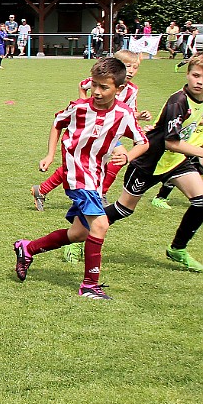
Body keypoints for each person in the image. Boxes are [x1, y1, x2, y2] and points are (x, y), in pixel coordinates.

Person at [14, 57, 148, 300]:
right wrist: (50, 154)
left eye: (103, 87)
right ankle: (89, 285)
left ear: (119, 89)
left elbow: (143, 142)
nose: (96, 91)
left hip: (95, 177)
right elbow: (57, 123)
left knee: (78, 234)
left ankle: (27, 248)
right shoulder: (79, 107)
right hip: (76, 174)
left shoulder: (124, 113)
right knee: (101, 224)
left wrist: (127, 156)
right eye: (94, 85)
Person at [101, 55, 203, 274]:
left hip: (177, 163)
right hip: (150, 161)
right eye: (195, 75)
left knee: (201, 202)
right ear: (187, 75)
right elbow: (171, 142)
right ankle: (80, 236)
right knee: (123, 209)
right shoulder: (179, 101)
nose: (199, 81)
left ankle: (177, 249)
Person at [31, 50, 152, 214]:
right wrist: (86, 105)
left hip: (112, 130)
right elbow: (82, 86)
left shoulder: (132, 90)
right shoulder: (97, 85)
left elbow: (131, 112)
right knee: (81, 162)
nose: (131, 70)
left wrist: (140, 116)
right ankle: (99, 194)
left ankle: (45, 189)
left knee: (87, 162)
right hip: (93, 127)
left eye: (135, 67)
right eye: (127, 66)